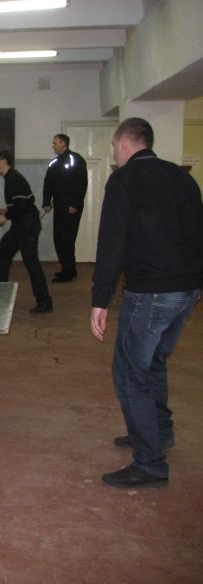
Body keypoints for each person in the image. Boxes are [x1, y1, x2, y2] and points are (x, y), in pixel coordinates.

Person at [91, 117, 202, 489]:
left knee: (130, 374)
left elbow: (111, 241)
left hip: (151, 293)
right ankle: (159, 431)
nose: (113, 152)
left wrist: (100, 298)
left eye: (113, 146)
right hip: (186, 292)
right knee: (153, 362)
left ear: (124, 142)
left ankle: (150, 463)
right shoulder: (182, 178)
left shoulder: (124, 180)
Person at [0, 150, 53, 314]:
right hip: (20, 225)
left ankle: (44, 302)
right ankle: (0, 294)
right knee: (3, 252)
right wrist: (7, 210)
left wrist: (6, 216)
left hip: (28, 227)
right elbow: (23, 202)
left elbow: (24, 206)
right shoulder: (10, 178)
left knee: (31, 262)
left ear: (4, 161)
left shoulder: (13, 178)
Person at [42, 134, 88, 283]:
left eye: (55, 143)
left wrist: (75, 204)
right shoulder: (54, 163)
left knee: (67, 239)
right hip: (59, 206)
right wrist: (46, 202)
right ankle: (67, 269)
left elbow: (81, 183)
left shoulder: (75, 159)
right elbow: (48, 183)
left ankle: (68, 272)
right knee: (59, 239)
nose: (53, 145)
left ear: (63, 143)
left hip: (71, 208)